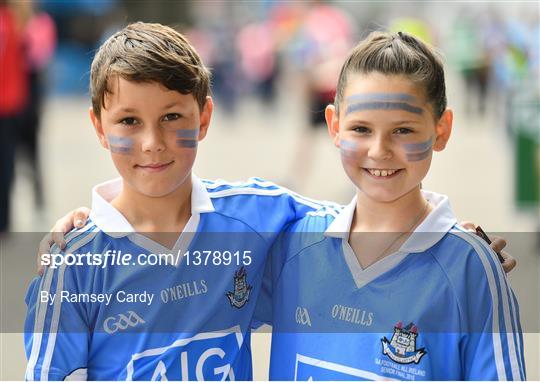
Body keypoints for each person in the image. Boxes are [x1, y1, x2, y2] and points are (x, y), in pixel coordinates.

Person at [23, 22, 331, 381]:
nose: (152, 141)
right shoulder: (73, 262)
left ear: (203, 118)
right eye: (129, 120)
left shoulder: (255, 217)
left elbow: (369, 227)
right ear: (99, 128)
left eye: (171, 117)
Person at [263, 31, 525, 380]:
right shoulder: (292, 246)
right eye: (360, 129)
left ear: (441, 129)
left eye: (403, 130)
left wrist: (467, 258)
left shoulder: (470, 269)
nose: (379, 150)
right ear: (334, 126)